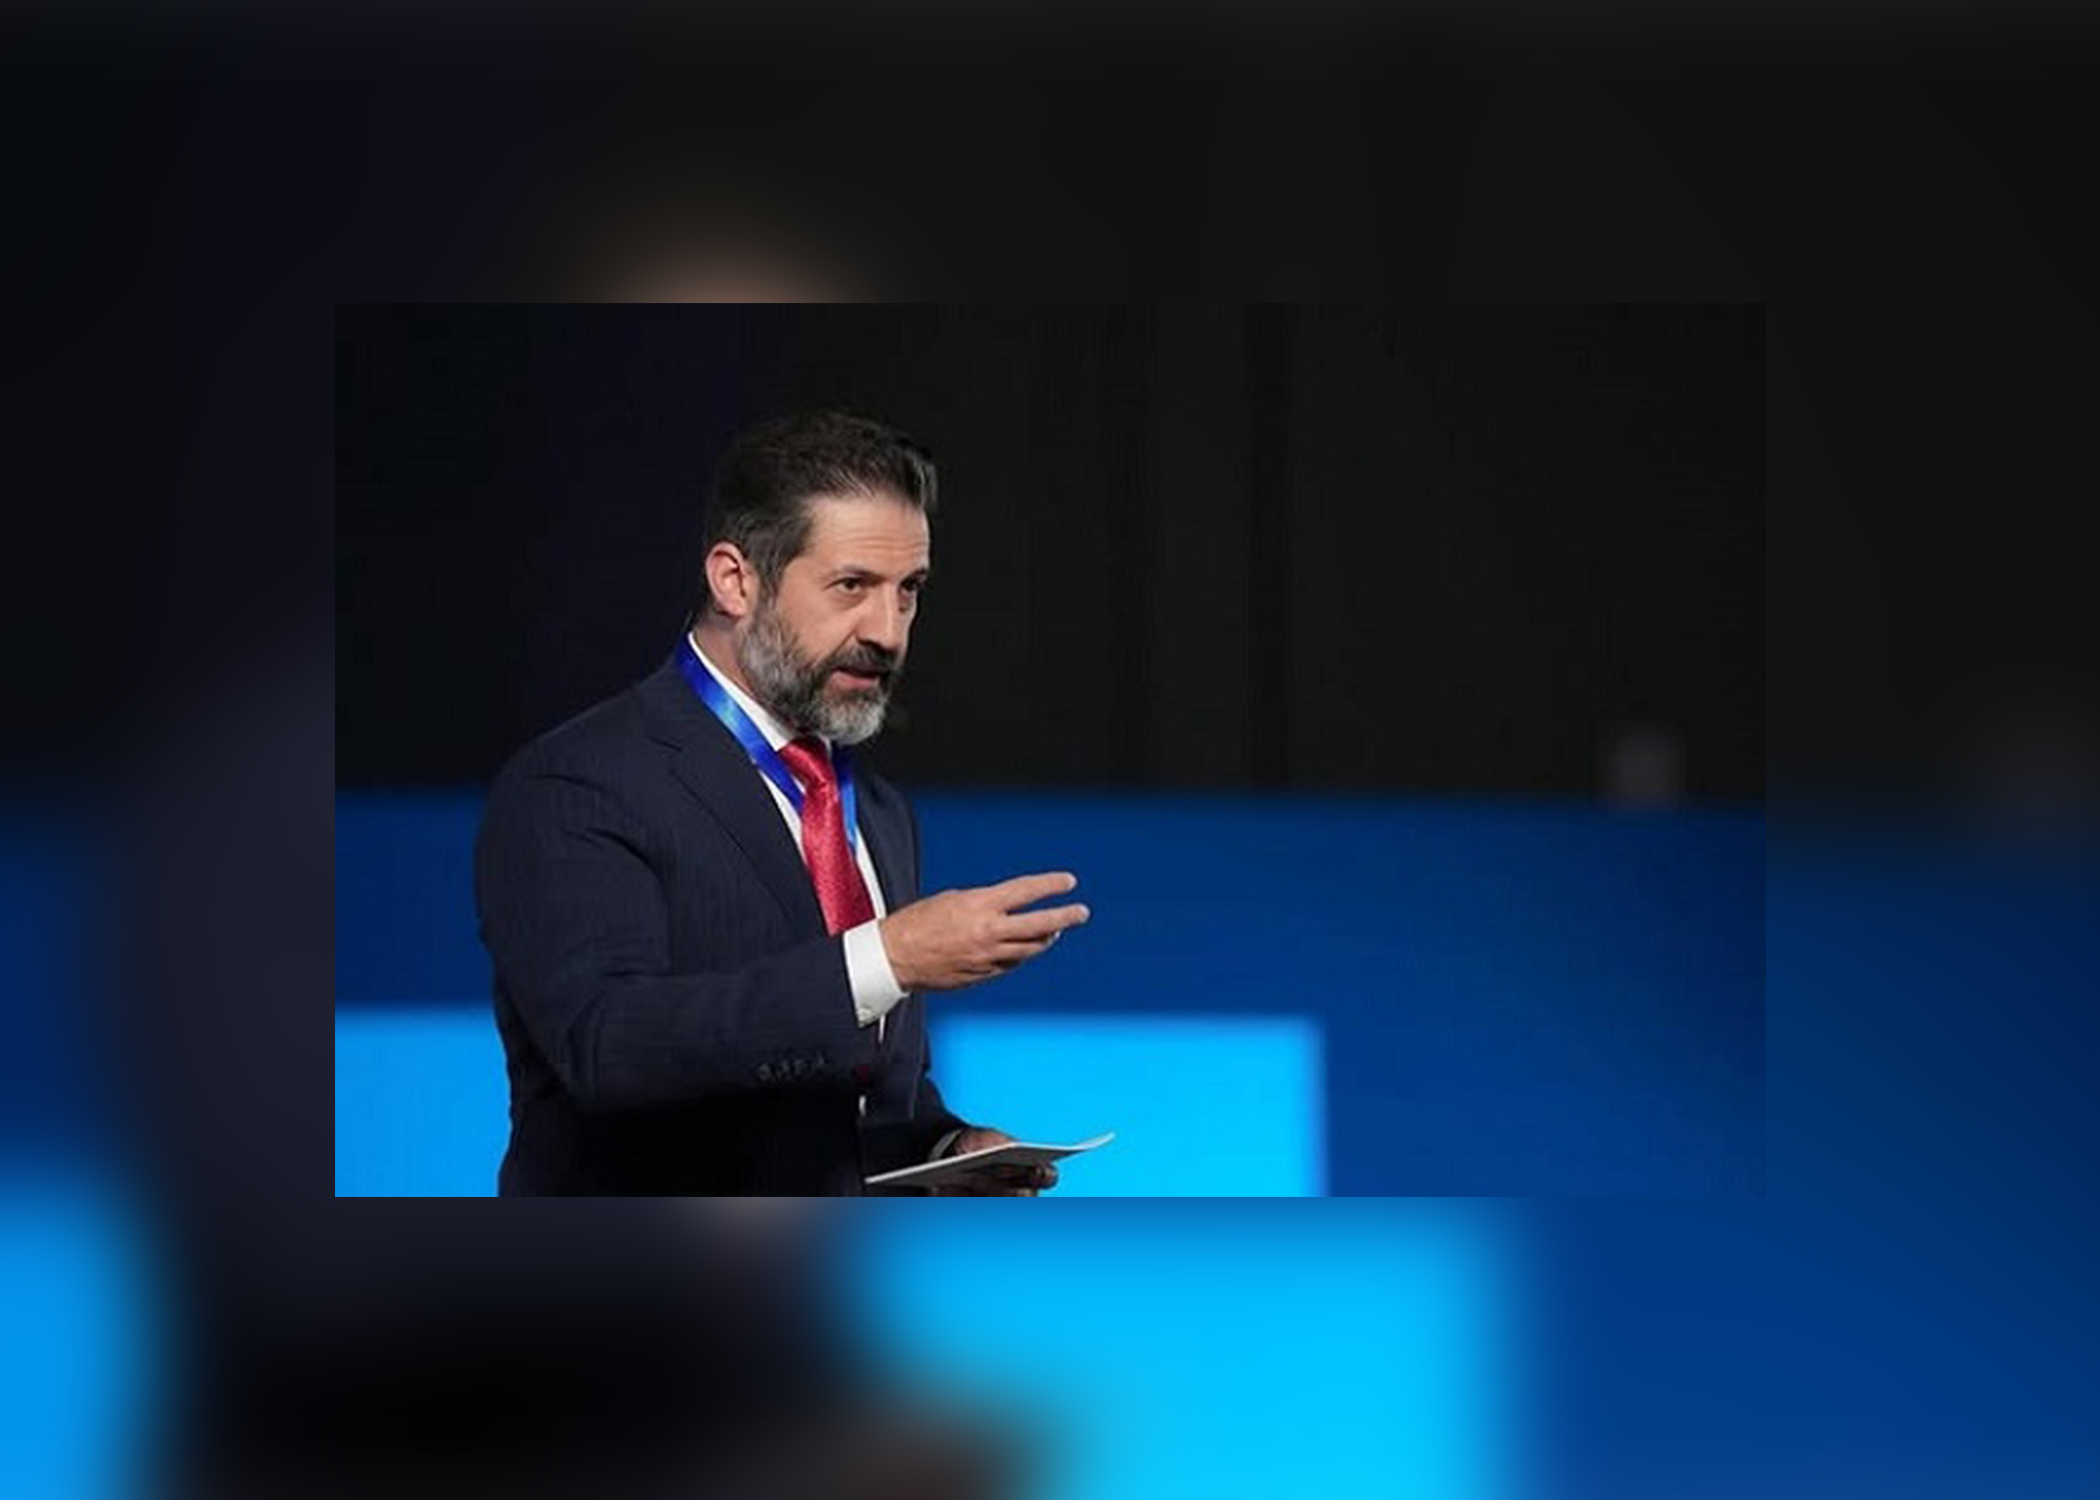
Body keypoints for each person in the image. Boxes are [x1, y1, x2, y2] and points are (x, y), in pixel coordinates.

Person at [474, 411, 1090, 1194]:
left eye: (909, 591)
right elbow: (608, 1046)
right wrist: (888, 958)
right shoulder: (578, 783)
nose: (889, 632)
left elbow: (854, 1094)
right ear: (735, 580)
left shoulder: (878, 814)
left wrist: (943, 1150)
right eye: (852, 586)